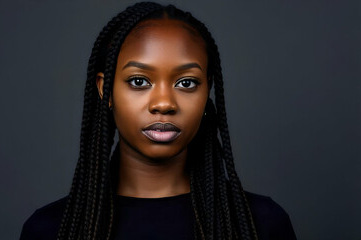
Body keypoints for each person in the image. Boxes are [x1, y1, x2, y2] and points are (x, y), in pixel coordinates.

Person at [20, 2, 296, 240]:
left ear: (207, 91)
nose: (164, 103)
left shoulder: (261, 225)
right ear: (106, 90)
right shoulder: (52, 230)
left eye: (186, 83)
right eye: (139, 81)